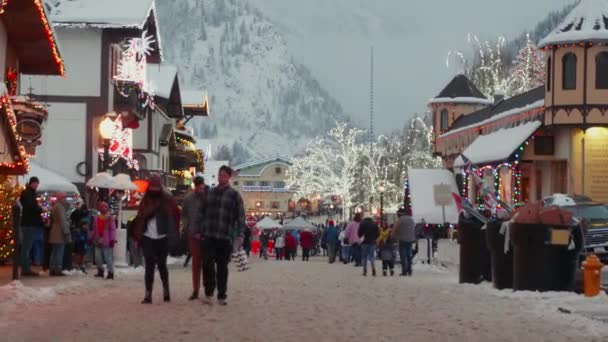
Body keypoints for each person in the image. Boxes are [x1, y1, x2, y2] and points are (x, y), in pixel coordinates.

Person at [200, 166, 246, 306]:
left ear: (229, 177)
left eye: (224, 175)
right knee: (207, 265)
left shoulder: (234, 195)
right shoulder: (210, 192)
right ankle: (208, 293)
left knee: (222, 267)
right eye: (220, 175)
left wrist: (240, 233)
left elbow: (241, 216)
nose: (221, 177)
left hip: (225, 236)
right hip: (209, 234)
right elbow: (202, 211)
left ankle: (221, 295)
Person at [135, 174, 180, 304]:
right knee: (149, 266)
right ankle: (148, 294)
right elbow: (141, 215)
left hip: (162, 236)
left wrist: (172, 234)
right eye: (152, 187)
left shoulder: (166, 199)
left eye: (156, 187)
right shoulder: (145, 199)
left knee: (162, 265)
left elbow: (174, 214)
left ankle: (166, 291)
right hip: (148, 236)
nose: (154, 190)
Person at [181, 176, 207, 300]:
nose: (200, 190)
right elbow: (184, 215)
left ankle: (208, 289)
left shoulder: (208, 197)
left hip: (206, 235)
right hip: (193, 235)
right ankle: (195, 290)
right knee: (196, 264)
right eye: (198, 188)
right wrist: (189, 229)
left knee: (207, 263)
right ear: (195, 186)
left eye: (202, 187)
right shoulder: (188, 199)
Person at [19, 177, 44, 276]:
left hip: (29, 223)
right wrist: (40, 209)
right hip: (29, 224)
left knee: (27, 247)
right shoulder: (28, 193)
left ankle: (26, 268)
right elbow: (31, 207)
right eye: (36, 183)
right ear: (32, 183)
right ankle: (25, 269)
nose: (37, 185)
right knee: (27, 247)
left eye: (37, 183)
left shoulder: (29, 193)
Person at [90, 202, 116, 279]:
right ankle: (100, 271)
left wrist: (112, 239)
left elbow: (113, 230)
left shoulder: (110, 218)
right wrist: (91, 238)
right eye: (101, 207)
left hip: (107, 240)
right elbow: (94, 229)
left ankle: (110, 273)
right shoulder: (96, 218)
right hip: (97, 240)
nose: (102, 208)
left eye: (104, 207)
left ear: (107, 208)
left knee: (108, 258)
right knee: (98, 258)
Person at [48, 192, 70, 276]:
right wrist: (66, 231)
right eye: (64, 197)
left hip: (54, 230)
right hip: (59, 231)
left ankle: (52, 268)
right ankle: (58, 269)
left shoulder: (55, 206)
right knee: (59, 251)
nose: (65, 199)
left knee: (54, 251)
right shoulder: (60, 207)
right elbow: (62, 220)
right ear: (60, 198)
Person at [392, 208, 417, 276]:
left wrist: (393, 236)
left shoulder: (400, 220)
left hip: (402, 240)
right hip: (410, 240)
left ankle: (404, 271)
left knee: (403, 256)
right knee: (409, 255)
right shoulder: (411, 219)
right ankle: (409, 270)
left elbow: (394, 229)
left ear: (399, 214)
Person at [70, 200, 90, 273]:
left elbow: (72, 221)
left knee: (78, 250)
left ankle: (78, 264)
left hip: (78, 233)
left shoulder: (74, 213)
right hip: (81, 234)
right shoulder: (85, 213)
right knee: (81, 251)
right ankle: (80, 264)